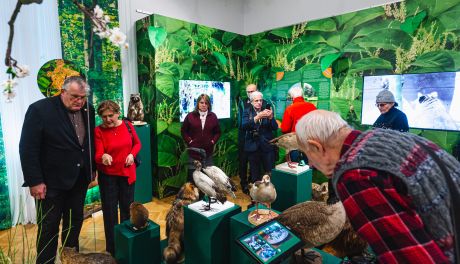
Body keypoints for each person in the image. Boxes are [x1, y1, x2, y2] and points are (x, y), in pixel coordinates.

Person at [296, 110, 459, 263]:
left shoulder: (355, 174)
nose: (310, 164)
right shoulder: (381, 137)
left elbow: (410, 257)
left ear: (317, 146)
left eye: (308, 155)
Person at [19, 76, 95, 264]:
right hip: (50, 183)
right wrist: (35, 181)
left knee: (74, 221)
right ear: (62, 92)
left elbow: (88, 142)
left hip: (79, 179)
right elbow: (28, 147)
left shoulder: (88, 110)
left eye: (83, 97)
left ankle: (71, 258)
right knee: (49, 227)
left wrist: (92, 169)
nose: (79, 101)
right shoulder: (39, 110)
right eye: (75, 97)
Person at [94, 100, 141, 256]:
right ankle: (112, 251)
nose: (107, 120)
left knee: (128, 211)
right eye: (104, 117)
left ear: (118, 113)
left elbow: (137, 144)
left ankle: (127, 246)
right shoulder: (98, 131)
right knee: (110, 214)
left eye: (111, 116)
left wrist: (131, 155)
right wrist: (103, 156)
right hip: (108, 178)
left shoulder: (128, 125)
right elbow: (98, 154)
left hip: (127, 174)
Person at [181, 94, 221, 182]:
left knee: (209, 178)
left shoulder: (213, 116)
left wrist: (212, 142)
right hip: (193, 152)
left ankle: (207, 195)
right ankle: (194, 195)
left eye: (206, 103)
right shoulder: (190, 116)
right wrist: (190, 141)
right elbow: (183, 131)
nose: (203, 105)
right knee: (193, 177)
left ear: (209, 105)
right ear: (198, 103)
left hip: (208, 152)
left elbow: (218, 132)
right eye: (201, 102)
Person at [242, 91, 278, 183]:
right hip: (253, 147)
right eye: (256, 100)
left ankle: (270, 194)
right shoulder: (247, 111)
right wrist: (257, 117)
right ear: (251, 102)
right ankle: (256, 195)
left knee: (270, 172)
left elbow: (275, 127)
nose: (259, 103)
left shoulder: (267, 111)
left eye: (261, 100)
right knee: (255, 174)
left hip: (267, 146)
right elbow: (244, 126)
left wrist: (271, 118)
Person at [280, 83, 316, 163]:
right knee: (308, 167)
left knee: (295, 167)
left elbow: (285, 129)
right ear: (302, 95)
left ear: (292, 97)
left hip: (295, 142)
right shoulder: (312, 107)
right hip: (309, 141)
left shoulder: (290, 109)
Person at [237, 84, 259, 194]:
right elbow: (241, 123)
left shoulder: (261, 102)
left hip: (256, 139)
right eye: (248, 92)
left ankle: (252, 181)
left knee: (255, 162)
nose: (250, 94)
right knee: (243, 162)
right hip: (244, 137)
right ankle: (244, 183)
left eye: (252, 91)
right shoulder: (242, 103)